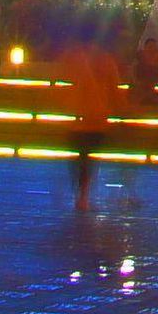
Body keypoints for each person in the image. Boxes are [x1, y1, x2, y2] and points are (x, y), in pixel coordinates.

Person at [66, 35, 123, 199]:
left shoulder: (76, 59)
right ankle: (83, 193)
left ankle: (82, 192)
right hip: (96, 122)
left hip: (80, 122)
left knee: (82, 154)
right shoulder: (106, 61)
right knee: (85, 154)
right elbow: (116, 92)